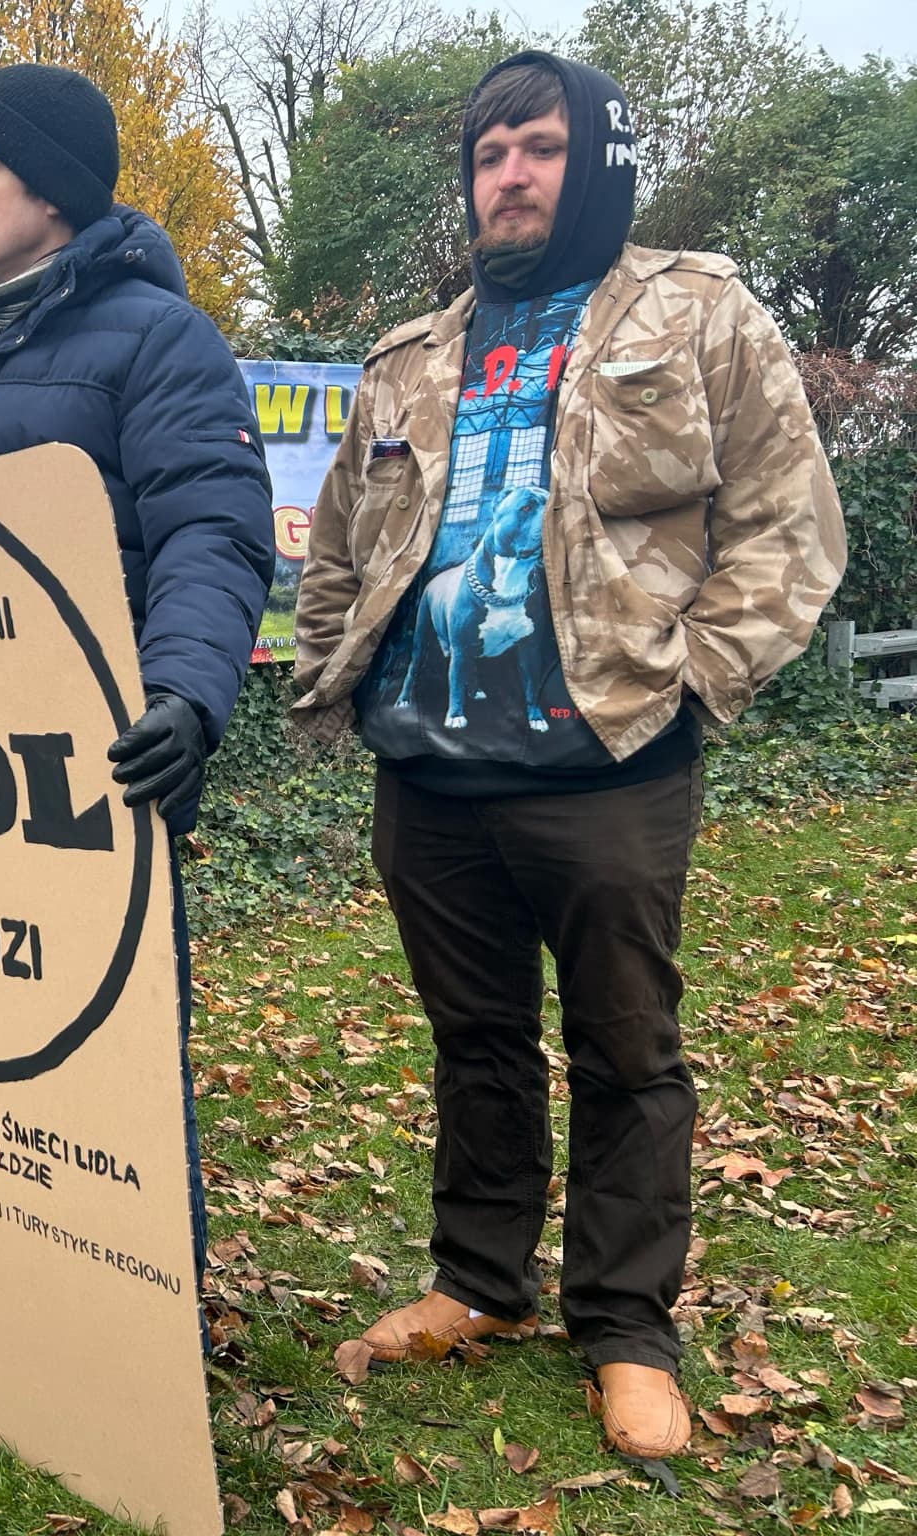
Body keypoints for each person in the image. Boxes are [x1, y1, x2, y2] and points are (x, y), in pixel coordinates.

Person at [292, 51, 845, 1456]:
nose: (510, 177)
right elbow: (342, 549)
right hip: (428, 771)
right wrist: (334, 687)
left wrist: (692, 685)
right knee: (476, 1042)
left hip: (608, 769)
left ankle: (626, 1325)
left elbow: (790, 529)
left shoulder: (697, 313)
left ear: (592, 158)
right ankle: (479, 1282)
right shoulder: (410, 356)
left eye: (538, 148)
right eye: (489, 157)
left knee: (626, 1050)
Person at [0, 64, 277, 1289]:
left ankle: (143, 1309)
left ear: (51, 193)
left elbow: (210, 531)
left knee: (105, 1043)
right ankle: (8, 1288)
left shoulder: (163, 340)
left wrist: (182, 697)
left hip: (95, 767)